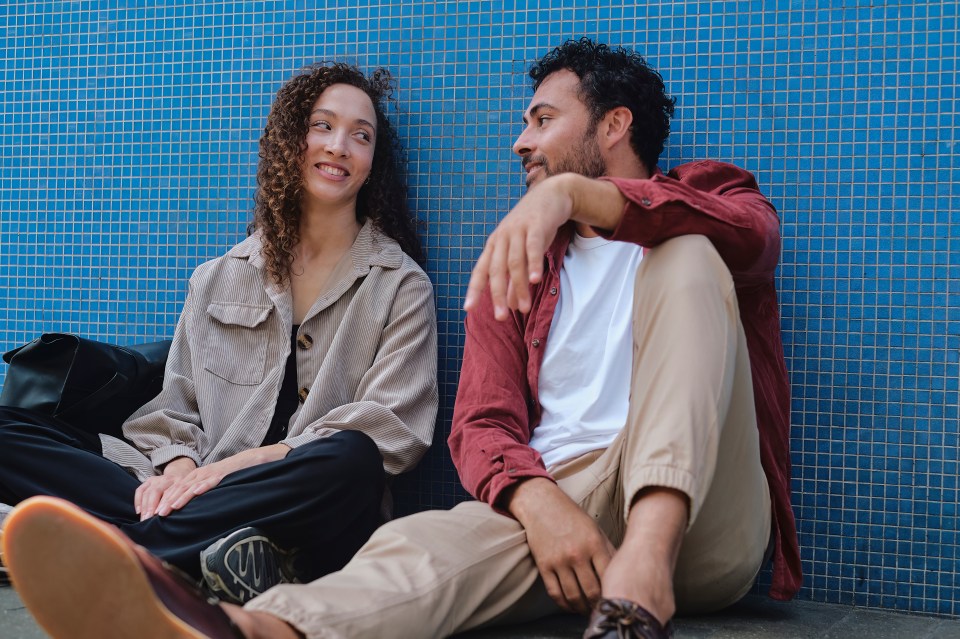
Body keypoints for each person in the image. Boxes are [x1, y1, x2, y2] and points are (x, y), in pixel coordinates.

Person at [2, 38, 800, 639]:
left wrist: (568, 195)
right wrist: (538, 500)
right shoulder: (511, 264)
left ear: (614, 124)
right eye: (525, 126)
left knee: (691, 257)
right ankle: (243, 624)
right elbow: (481, 427)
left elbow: (750, 238)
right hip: (565, 512)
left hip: (701, 528)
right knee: (418, 546)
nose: (520, 143)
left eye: (542, 121)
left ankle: (648, 560)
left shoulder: (708, 199)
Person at [0, 62, 438, 606]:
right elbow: (173, 409)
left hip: (297, 503)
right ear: (289, 140)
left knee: (352, 459)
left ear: (374, 163)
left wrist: (228, 472)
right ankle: (189, 552)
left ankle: (119, 546)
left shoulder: (400, 286)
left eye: (361, 135)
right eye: (322, 126)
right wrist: (181, 473)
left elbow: (395, 430)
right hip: (188, 498)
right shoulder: (217, 277)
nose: (340, 145)